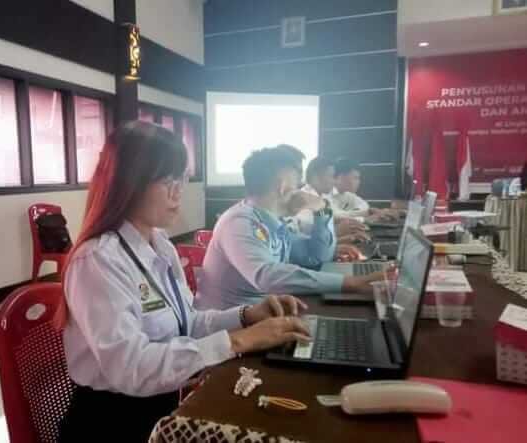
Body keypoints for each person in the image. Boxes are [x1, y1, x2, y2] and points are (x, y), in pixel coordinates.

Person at [56, 122, 311, 442]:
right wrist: (240, 341)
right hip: (112, 425)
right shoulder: (98, 260)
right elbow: (132, 367)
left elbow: (187, 323)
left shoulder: (160, 245)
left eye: (181, 180)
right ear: (130, 183)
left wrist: (247, 316)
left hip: (163, 411)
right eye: (167, 181)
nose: (178, 192)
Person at [196, 146, 384, 310]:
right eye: (296, 185)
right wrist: (350, 283)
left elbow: (316, 257)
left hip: (262, 316)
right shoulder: (239, 222)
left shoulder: (274, 222)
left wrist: (321, 211)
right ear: (283, 186)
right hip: (230, 330)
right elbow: (267, 277)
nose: (299, 191)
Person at [302, 157, 369, 244]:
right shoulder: (306, 198)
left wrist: (345, 237)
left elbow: (334, 217)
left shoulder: (323, 196)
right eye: (331, 176)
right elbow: (311, 241)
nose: (334, 182)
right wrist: (338, 231)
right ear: (316, 177)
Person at [332, 158, 398, 222]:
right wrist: (365, 217)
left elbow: (365, 206)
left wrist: (372, 211)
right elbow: (336, 216)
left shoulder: (348, 194)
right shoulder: (327, 192)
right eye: (355, 178)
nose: (359, 182)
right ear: (341, 177)